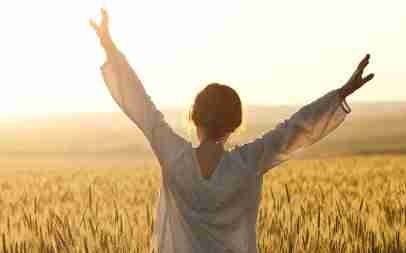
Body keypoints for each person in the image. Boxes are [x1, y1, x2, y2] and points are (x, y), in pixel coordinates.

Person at [90, 9, 375, 253]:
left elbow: (142, 106)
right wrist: (342, 93)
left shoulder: (174, 158)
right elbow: (296, 127)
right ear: (235, 124)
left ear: (193, 117)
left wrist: (110, 48)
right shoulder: (247, 164)